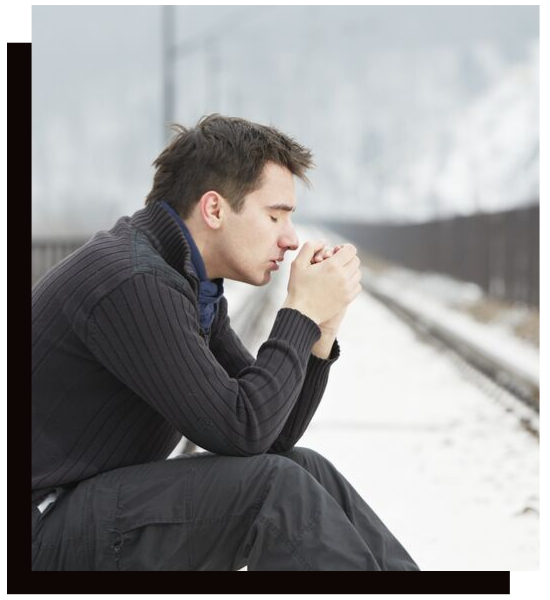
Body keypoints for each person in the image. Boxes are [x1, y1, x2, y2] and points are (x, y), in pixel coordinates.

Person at [32, 114, 419, 570]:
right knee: (274, 491)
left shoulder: (188, 284)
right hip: (45, 524)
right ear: (214, 209)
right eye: (274, 216)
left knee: (304, 467)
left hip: (81, 508)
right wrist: (298, 313)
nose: (290, 238)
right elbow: (241, 429)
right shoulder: (132, 281)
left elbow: (272, 436)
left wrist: (320, 330)